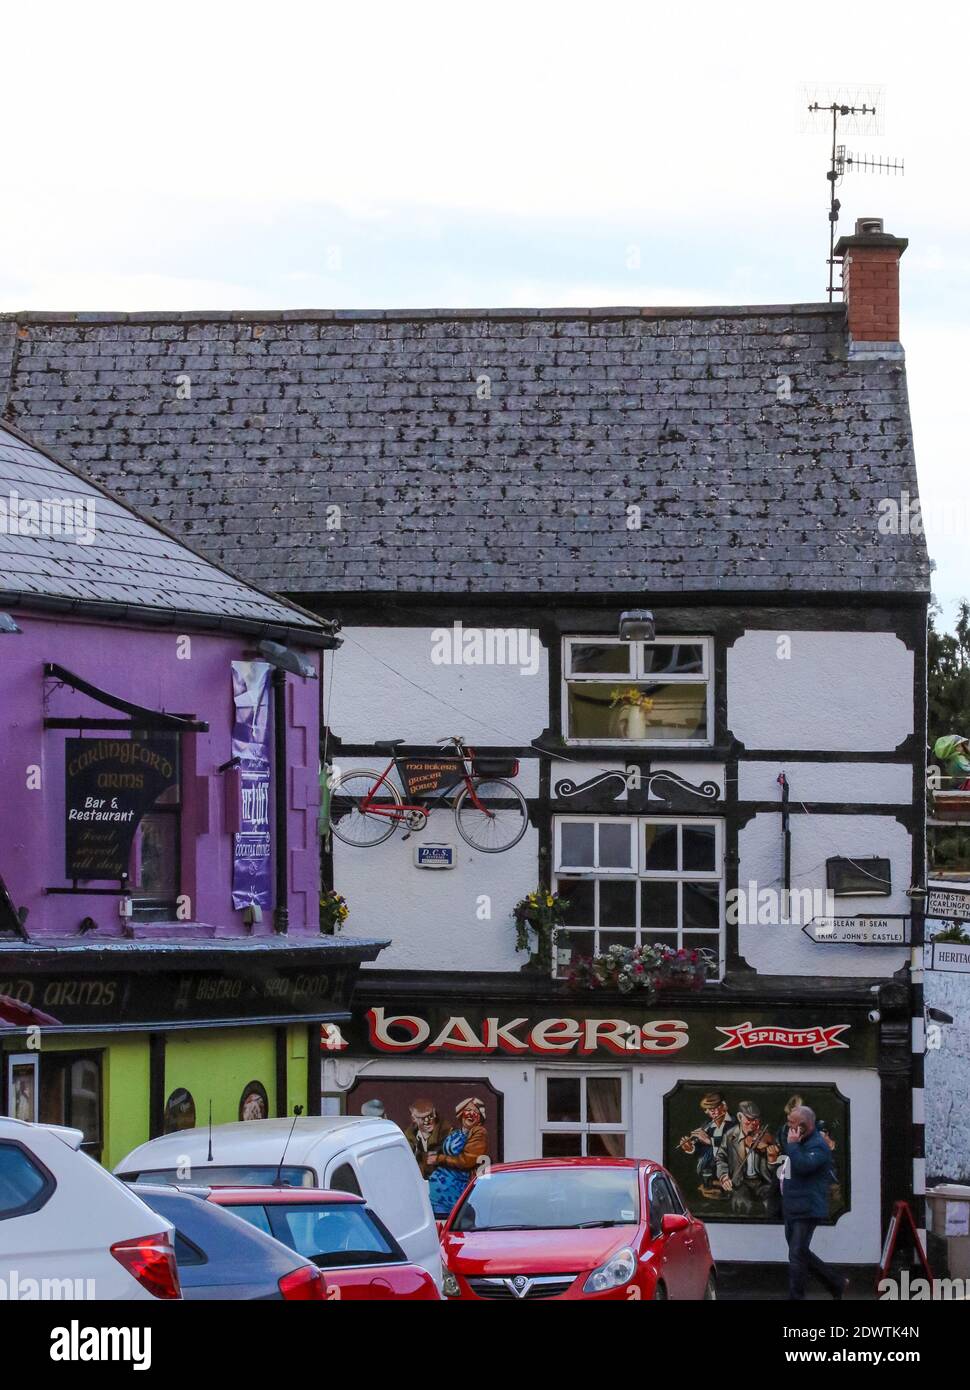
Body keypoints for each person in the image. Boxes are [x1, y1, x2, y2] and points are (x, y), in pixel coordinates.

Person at [781, 1105, 847, 1301]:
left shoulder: (818, 1146)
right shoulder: (800, 1142)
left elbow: (803, 1166)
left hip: (807, 1208)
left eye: (792, 1123)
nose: (788, 1126)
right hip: (793, 1206)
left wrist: (793, 1145)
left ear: (804, 1125)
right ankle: (836, 1282)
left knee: (796, 1255)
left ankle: (796, 1296)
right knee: (799, 1252)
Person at [715, 1101, 781, 1217]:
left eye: (756, 1120)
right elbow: (721, 1158)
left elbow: (777, 1170)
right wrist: (724, 1176)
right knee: (741, 1203)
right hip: (740, 1182)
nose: (754, 1124)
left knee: (770, 1204)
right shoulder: (730, 1135)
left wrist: (772, 1160)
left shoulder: (767, 1137)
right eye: (749, 1120)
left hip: (763, 1182)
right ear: (740, 1117)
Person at [678, 1091, 738, 1198]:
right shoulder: (706, 1125)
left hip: (729, 1176)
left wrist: (709, 1141)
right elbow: (702, 1151)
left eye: (713, 1108)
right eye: (707, 1110)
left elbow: (736, 1150)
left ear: (724, 1106)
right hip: (709, 1176)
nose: (710, 1113)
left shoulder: (736, 1124)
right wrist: (691, 1148)